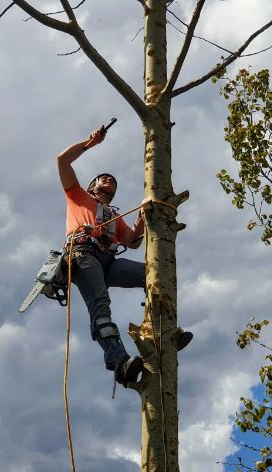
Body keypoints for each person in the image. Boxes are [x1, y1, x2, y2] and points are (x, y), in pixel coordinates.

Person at [56, 125, 192, 388]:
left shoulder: (113, 217)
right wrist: (89, 143)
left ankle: (163, 331)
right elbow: (62, 160)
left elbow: (131, 242)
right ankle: (120, 364)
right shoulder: (78, 197)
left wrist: (140, 224)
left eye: (113, 181)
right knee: (101, 307)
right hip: (84, 255)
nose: (109, 181)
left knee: (154, 274)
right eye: (104, 178)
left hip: (107, 261)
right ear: (92, 186)